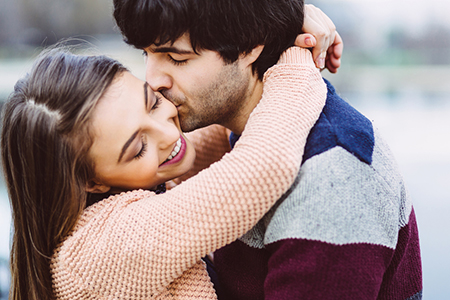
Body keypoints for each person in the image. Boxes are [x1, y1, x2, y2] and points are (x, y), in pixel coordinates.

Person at [113, 0, 423, 299]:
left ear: (249, 45)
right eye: (146, 53)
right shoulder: (238, 132)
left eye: (177, 58)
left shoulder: (331, 174)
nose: (152, 80)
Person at [1, 43, 326, 299]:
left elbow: (229, 122)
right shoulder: (104, 251)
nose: (170, 134)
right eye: (138, 148)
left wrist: (277, 28)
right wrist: (295, 58)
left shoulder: (138, 182)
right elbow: (263, 166)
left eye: (153, 103)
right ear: (91, 181)